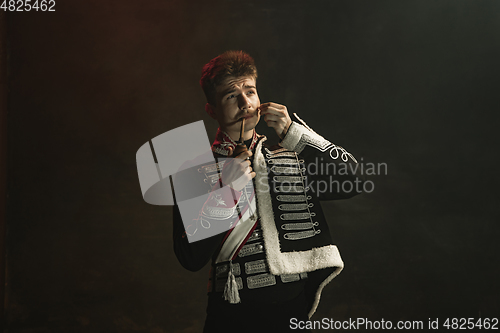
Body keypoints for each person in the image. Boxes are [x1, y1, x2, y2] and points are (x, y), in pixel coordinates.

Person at [172, 50, 364, 332]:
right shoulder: (193, 170)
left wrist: (294, 133)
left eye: (250, 91)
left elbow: (354, 180)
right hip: (231, 309)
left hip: (291, 306)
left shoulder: (291, 152)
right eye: (230, 96)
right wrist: (228, 192)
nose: (244, 103)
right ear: (211, 109)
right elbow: (189, 258)